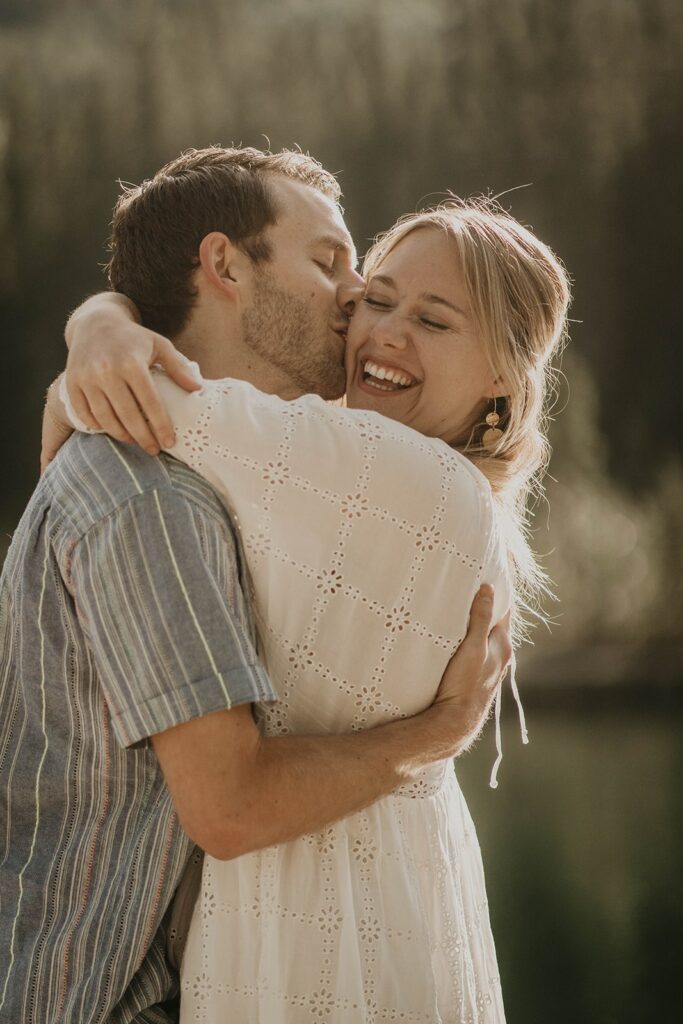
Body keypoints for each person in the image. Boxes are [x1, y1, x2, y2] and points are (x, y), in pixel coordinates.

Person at [44, 149, 569, 1021]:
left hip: (318, 910)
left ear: (501, 387)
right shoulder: (370, 469)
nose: (382, 332)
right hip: (392, 879)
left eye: (435, 322)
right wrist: (100, 320)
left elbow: (140, 399)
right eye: (376, 299)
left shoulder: (409, 481)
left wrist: (95, 338)